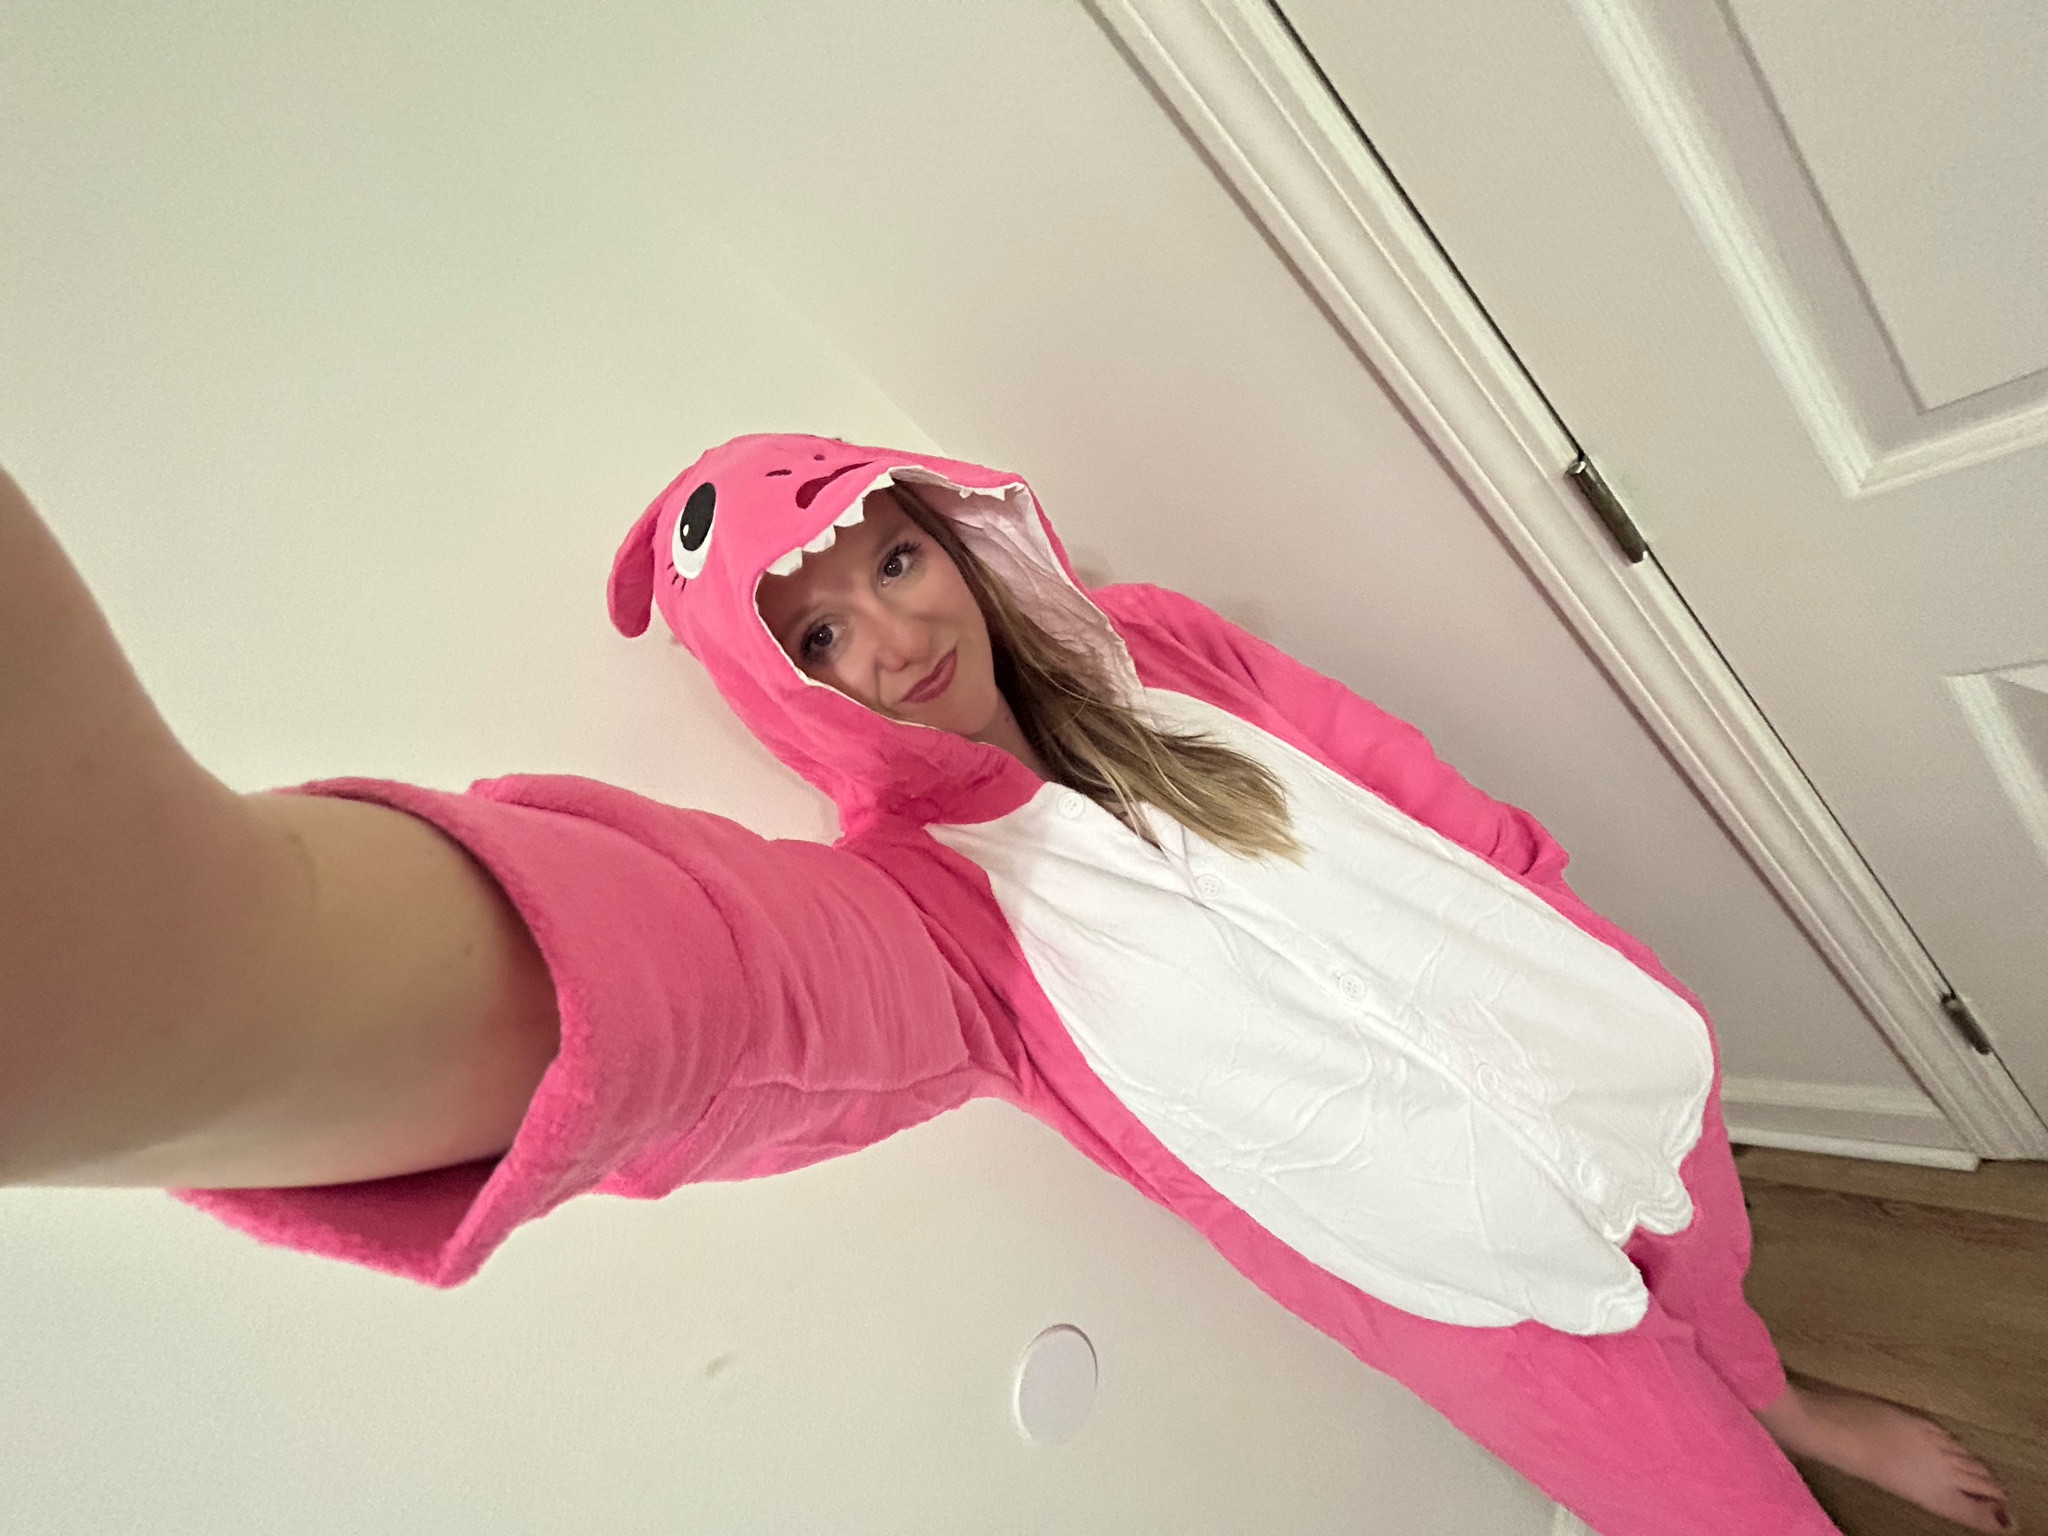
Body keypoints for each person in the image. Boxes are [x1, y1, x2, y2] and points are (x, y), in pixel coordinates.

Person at [0, 435, 2012, 1534]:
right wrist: (267, 982)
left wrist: (1568, 932)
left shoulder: (1168, 653)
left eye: (887, 562)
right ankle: (1768, 1464)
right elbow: (743, 981)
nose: (889, 638)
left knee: (1709, 1276)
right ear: (780, 692)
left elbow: (1418, 796)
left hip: (1618, 1077)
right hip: (1462, 1291)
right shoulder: (939, 918)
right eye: (814, 634)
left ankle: (1795, 1400)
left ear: (947, 532)